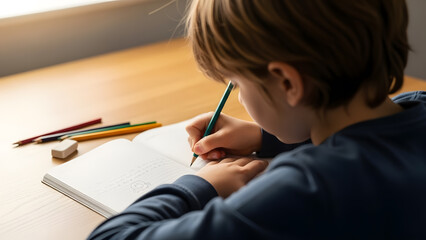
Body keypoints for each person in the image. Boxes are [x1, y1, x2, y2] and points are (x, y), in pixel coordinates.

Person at [88, 0, 426, 239]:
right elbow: (369, 137)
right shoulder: (416, 105)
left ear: (288, 83)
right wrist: (266, 137)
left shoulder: (305, 190)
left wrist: (203, 185)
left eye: (236, 84)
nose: (237, 95)